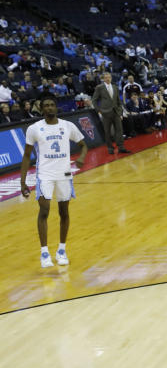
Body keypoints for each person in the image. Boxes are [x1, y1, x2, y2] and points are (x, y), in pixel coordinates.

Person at [19, 93, 88, 267]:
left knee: (64, 212)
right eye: (46, 105)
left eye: (52, 105)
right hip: (45, 175)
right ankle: (44, 253)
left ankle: (62, 250)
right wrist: (23, 182)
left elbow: (83, 145)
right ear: (41, 109)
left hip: (64, 174)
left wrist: (82, 157)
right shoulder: (34, 128)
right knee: (44, 210)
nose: (49, 107)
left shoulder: (68, 126)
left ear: (56, 107)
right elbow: (27, 156)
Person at [92, 72, 129, 154]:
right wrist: (99, 110)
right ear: (103, 79)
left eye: (109, 77)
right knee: (107, 131)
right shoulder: (99, 87)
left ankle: (121, 147)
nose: (108, 79)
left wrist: (120, 112)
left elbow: (119, 101)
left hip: (116, 112)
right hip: (105, 113)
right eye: (106, 77)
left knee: (119, 130)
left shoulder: (115, 87)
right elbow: (94, 100)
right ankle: (110, 148)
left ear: (111, 78)